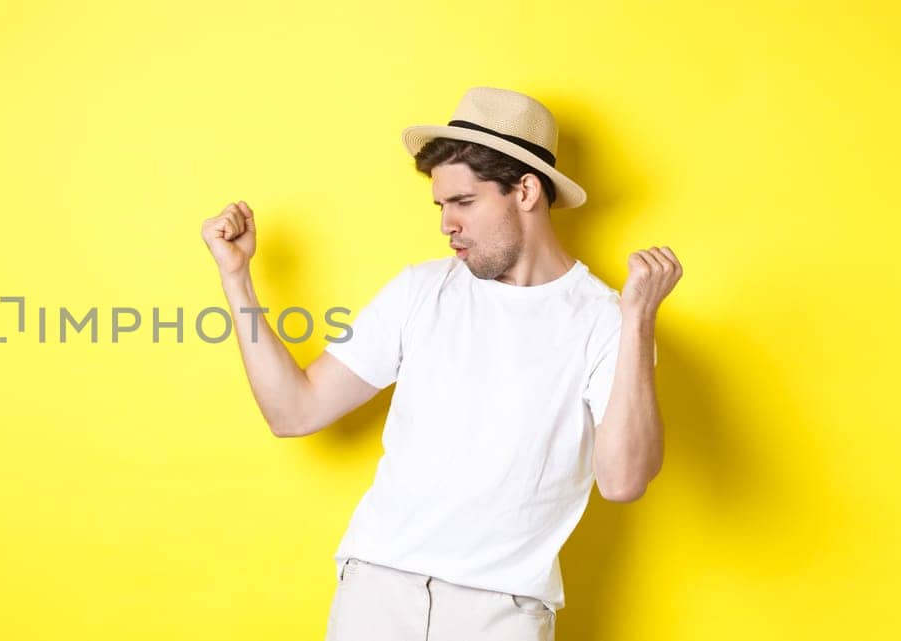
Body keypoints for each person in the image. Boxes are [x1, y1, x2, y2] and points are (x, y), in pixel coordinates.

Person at [198, 87, 682, 641]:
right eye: (441, 205)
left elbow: (623, 480)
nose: (446, 223)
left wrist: (639, 318)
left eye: (464, 202)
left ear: (524, 190)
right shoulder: (420, 291)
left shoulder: (605, 320)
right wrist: (235, 276)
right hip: (377, 594)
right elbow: (293, 412)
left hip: (502, 613)